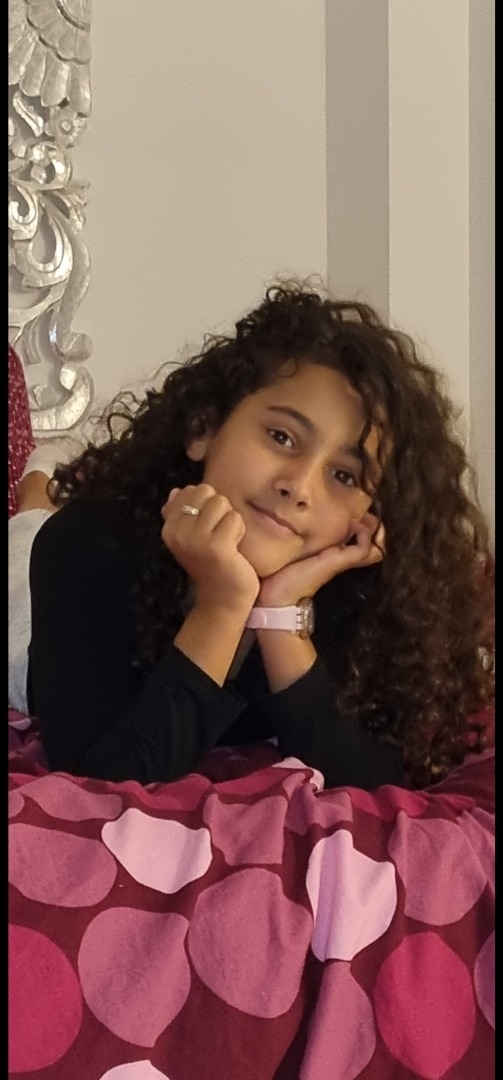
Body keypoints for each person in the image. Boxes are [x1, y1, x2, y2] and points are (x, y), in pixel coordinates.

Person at [26, 281, 494, 790]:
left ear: (369, 513)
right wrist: (222, 604)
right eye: (282, 437)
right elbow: (102, 781)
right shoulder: (84, 545)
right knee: (28, 525)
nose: (299, 487)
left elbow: (369, 781)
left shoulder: (365, 592)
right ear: (203, 428)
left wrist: (279, 612)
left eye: (344, 476)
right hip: (22, 606)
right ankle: (35, 483)